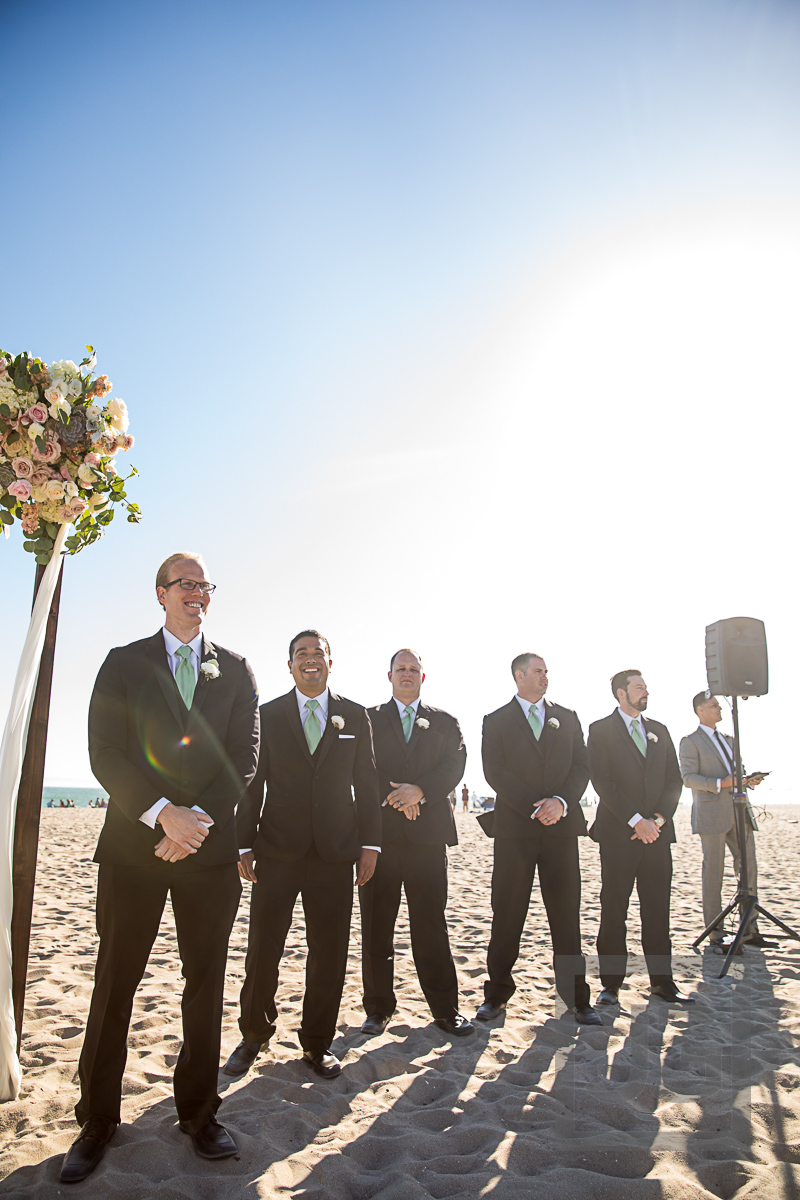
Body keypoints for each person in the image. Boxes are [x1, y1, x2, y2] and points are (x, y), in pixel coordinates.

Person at [60, 552, 260, 1185]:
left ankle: (200, 1113)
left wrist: (193, 819)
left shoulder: (237, 669)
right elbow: (104, 750)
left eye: (205, 585)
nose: (196, 594)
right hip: (133, 847)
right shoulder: (124, 661)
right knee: (116, 981)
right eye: (185, 584)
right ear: (160, 594)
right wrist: (159, 813)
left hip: (207, 849)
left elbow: (245, 756)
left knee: (204, 985)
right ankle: (96, 1118)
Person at [225, 630, 381, 1081]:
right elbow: (253, 782)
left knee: (329, 952)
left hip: (336, 852)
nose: (309, 660)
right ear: (289, 664)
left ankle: (317, 1043)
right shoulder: (267, 714)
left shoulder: (355, 715)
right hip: (276, 850)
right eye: (301, 655)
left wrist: (370, 845)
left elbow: (367, 784)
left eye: (318, 653)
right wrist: (244, 842)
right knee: (263, 949)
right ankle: (253, 1034)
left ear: (331, 661)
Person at [478, 653, 600, 1026]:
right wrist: (537, 806)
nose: (545, 677)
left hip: (561, 830)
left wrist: (561, 802)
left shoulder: (569, 717)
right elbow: (494, 771)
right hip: (515, 831)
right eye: (537, 671)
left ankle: (578, 1000)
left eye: (546, 672)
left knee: (566, 916)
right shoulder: (496, 720)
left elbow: (583, 765)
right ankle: (496, 995)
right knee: (508, 913)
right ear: (519, 676)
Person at [359, 649, 472, 1038]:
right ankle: (377, 1008)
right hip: (379, 840)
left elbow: (455, 764)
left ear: (423, 677)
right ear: (388, 675)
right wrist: (397, 797)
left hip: (427, 839)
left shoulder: (445, 722)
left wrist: (420, 791)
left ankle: (445, 1009)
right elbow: (359, 767)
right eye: (400, 669)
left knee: (431, 925)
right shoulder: (368, 719)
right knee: (376, 926)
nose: (406, 674)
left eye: (413, 669)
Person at [588, 669, 692, 1006]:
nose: (645, 692)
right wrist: (636, 821)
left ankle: (663, 982)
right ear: (621, 693)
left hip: (657, 835)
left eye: (646, 687)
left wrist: (657, 820)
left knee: (658, 910)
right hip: (620, 835)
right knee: (614, 909)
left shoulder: (659, 730)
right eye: (638, 687)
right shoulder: (600, 730)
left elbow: (674, 782)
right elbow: (603, 782)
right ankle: (611, 985)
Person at [679, 691, 767, 947]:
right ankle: (716, 933)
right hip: (712, 815)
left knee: (749, 868)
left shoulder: (729, 739)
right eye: (714, 705)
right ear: (700, 710)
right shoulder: (690, 741)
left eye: (719, 705)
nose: (719, 709)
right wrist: (721, 783)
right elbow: (688, 778)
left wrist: (747, 781)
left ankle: (749, 929)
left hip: (740, 813)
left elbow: (736, 775)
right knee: (714, 872)